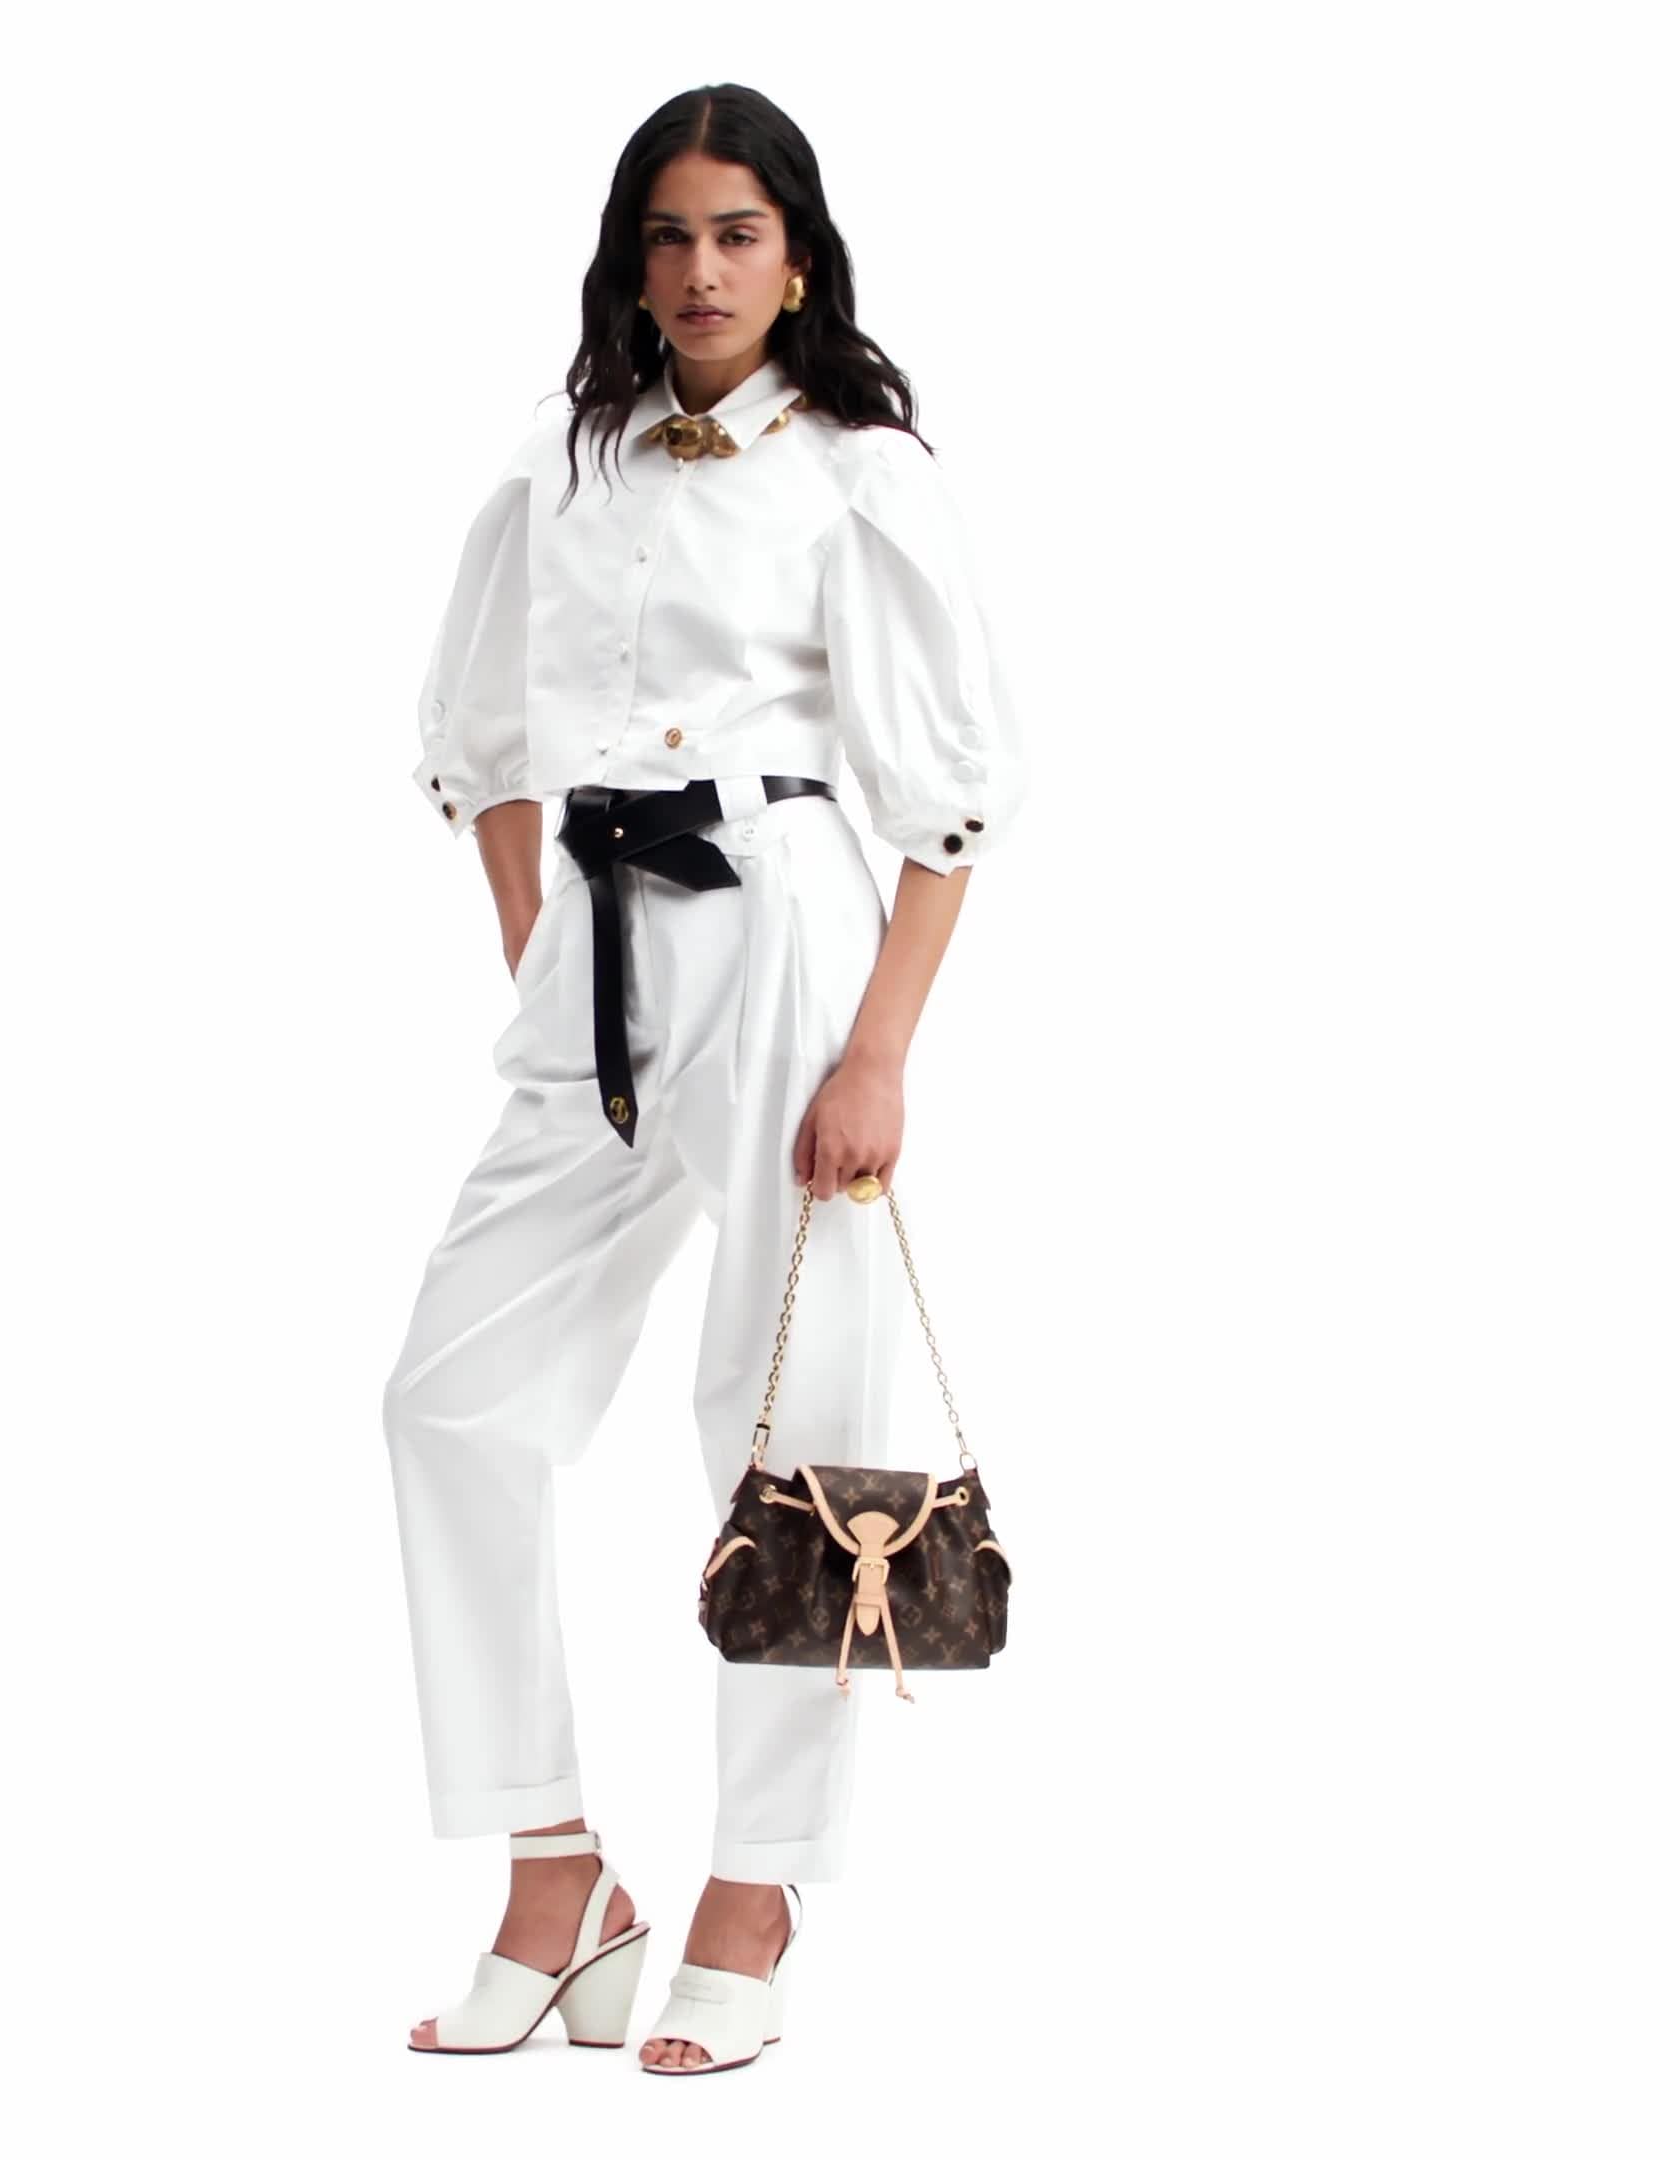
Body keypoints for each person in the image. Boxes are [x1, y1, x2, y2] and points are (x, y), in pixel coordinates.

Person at [383, 82, 1027, 2074]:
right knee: (450, 1400)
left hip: (788, 940)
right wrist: (541, 945)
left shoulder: (858, 473)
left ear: (799, 258)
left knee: (782, 1424)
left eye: (738, 232)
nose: (700, 269)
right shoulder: (560, 461)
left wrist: (879, 1050)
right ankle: (555, 1871)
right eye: (668, 234)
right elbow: (477, 744)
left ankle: (756, 1887)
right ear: (629, 259)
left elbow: (956, 801)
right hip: (597, 962)